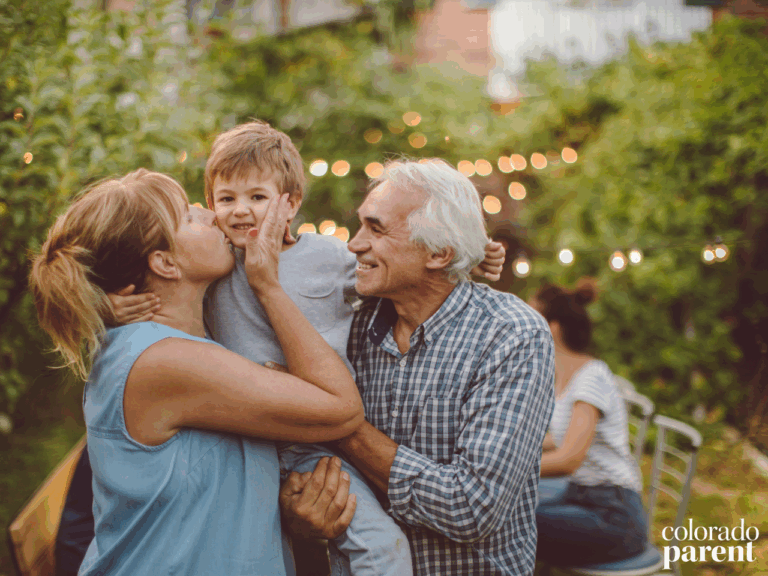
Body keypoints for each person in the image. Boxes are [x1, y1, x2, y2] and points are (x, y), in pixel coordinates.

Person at [103, 121, 506, 576]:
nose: (239, 212)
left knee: (383, 546)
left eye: (257, 198)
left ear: (290, 202)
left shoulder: (328, 258)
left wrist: (471, 254)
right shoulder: (217, 263)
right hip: (249, 434)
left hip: (316, 441)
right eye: (225, 199)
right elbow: (148, 282)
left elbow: (401, 269)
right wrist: (108, 303)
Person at [29, 169, 364, 576]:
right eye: (188, 217)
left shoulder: (159, 344)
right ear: (166, 263)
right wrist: (267, 286)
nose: (209, 214)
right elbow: (341, 409)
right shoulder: (164, 362)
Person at [283, 159, 556, 576]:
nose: (354, 244)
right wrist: (297, 507)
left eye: (376, 229)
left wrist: (334, 415)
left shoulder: (511, 335)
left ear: (439, 253)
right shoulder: (347, 326)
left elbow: (471, 506)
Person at [530, 280, 647, 567]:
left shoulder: (590, 377)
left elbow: (569, 458)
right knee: (511, 513)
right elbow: (558, 438)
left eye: (529, 317)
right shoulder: (567, 377)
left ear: (552, 328)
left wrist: (505, 467)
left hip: (613, 514)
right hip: (582, 497)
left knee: (506, 523)